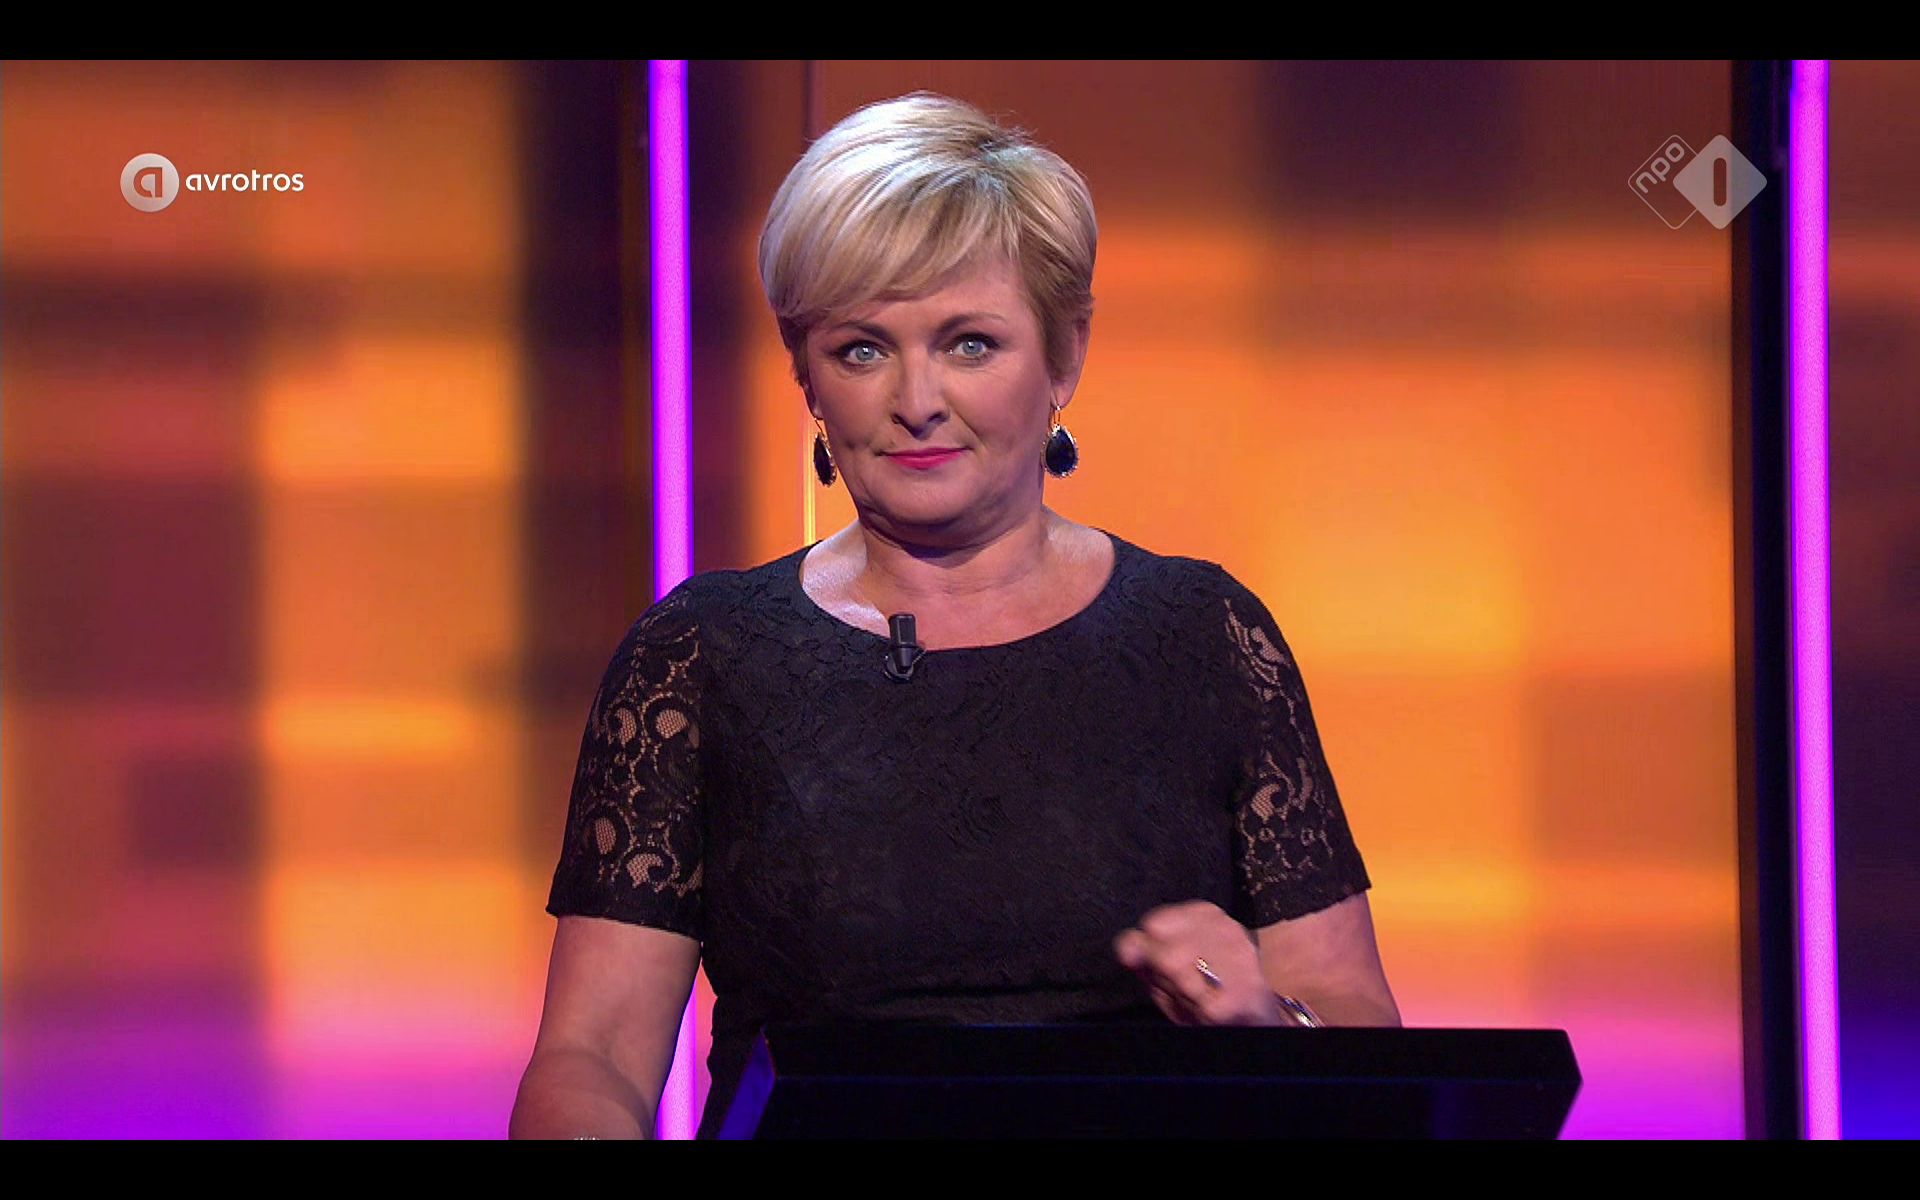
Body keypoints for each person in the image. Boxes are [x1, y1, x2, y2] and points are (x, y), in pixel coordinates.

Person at [509, 91, 1399, 1141]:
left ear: (1064, 356)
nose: (917, 400)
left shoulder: (1206, 634)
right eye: (862, 349)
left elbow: (1357, 1029)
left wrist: (1265, 1025)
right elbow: (595, 1055)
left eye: (970, 344)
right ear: (806, 376)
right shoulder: (699, 656)